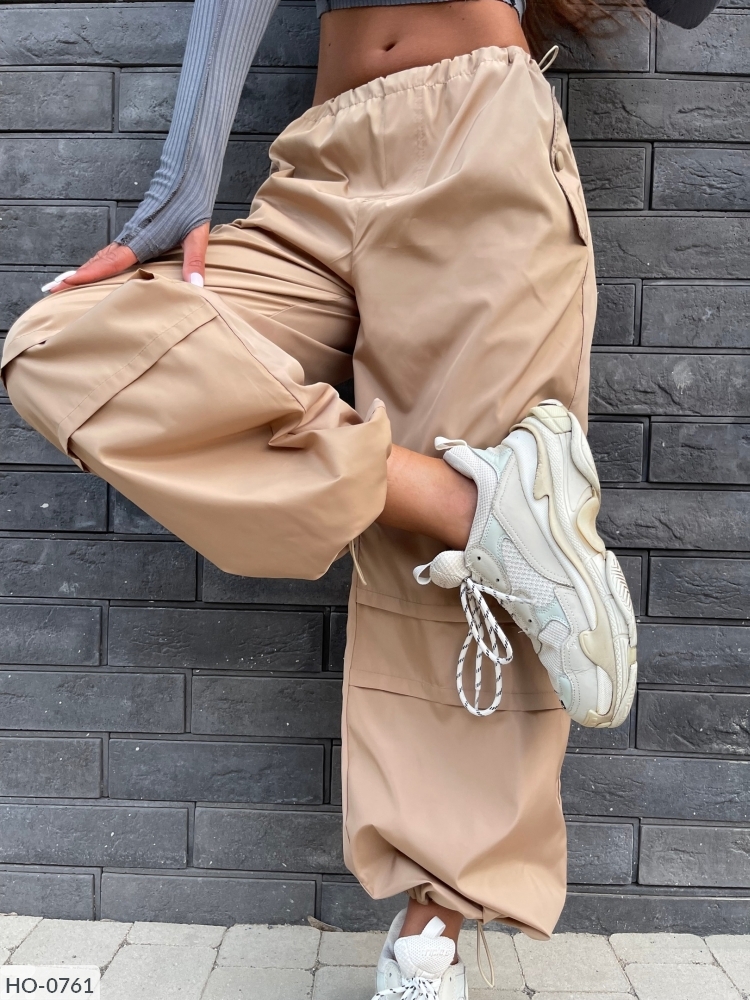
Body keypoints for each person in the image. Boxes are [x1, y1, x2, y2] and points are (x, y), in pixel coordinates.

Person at [2, 0, 718, 993]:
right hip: (321, 170)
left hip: (479, 143)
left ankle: (431, 932)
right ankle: (475, 507)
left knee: (457, 576)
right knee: (60, 348)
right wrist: (183, 180)